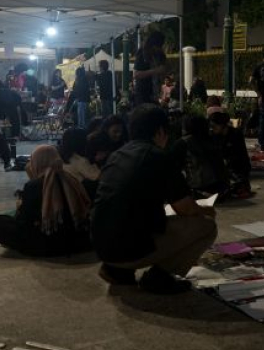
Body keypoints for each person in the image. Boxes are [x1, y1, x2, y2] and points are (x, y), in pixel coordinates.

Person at [91, 104, 218, 294]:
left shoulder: (118, 154)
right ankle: (160, 277)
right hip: (129, 249)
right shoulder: (158, 157)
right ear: (160, 132)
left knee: (133, 218)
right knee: (206, 226)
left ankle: (117, 271)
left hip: (101, 245)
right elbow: (185, 208)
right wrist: (206, 210)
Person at [0, 145, 92, 256]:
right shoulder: (72, 180)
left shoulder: (33, 186)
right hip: (77, 242)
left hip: (48, 244)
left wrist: (20, 206)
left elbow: (24, 223)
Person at [172, 115, 229, 198]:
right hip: (221, 188)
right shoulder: (213, 139)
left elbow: (173, 168)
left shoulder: (183, 142)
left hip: (199, 189)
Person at [209, 112, 252, 198]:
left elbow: (239, 155)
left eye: (214, 126)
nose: (212, 128)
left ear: (222, 125)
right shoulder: (214, 135)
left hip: (237, 166)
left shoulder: (235, 134)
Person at [133, 31, 167, 106]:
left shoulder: (160, 54)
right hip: (143, 94)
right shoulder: (142, 53)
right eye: (157, 46)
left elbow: (163, 70)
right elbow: (136, 74)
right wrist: (155, 71)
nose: (159, 49)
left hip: (155, 94)